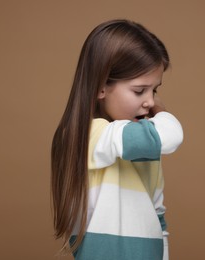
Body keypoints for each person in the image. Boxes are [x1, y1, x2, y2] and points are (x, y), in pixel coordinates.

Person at [51, 19, 183, 260]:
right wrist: (162, 112)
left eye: (154, 91)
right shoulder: (89, 136)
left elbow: (158, 214)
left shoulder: (142, 143)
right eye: (139, 90)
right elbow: (171, 136)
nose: (150, 102)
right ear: (101, 86)